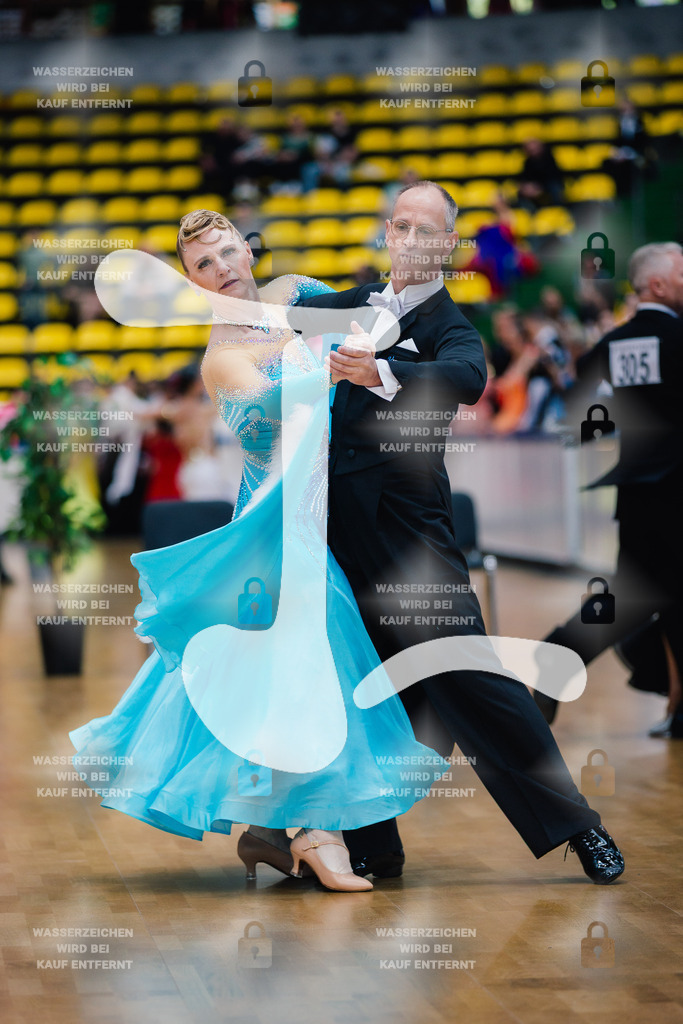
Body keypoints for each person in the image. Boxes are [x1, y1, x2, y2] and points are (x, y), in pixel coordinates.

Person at [68, 210, 449, 893]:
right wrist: (332, 360)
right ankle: (316, 833)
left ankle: (273, 832)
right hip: (274, 524)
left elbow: (372, 323)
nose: (221, 269)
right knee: (302, 665)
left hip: (327, 509)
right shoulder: (221, 356)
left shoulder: (295, 292)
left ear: (247, 251)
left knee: (288, 670)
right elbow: (274, 413)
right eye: (203, 265)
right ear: (193, 282)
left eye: (226, 253)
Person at [294, 180, 624, 884]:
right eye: (401, 226)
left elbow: (467, 377)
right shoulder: (353, 304)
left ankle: (578, 825)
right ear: (388, 233)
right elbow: (286, 315)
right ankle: (374, 845)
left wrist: (381, 369)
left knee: (472, 677)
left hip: (410, 537)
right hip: (337, 534)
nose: (411, 239)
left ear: (447, 243)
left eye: (427, 230)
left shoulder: (451, 324)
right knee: (364, 688)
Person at [534, 242, 683, 737]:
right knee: (642, 599)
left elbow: (580, 419)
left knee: (642, 597)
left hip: (636, 495)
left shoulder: (613, 345)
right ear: (658, 283)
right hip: (676, 492)